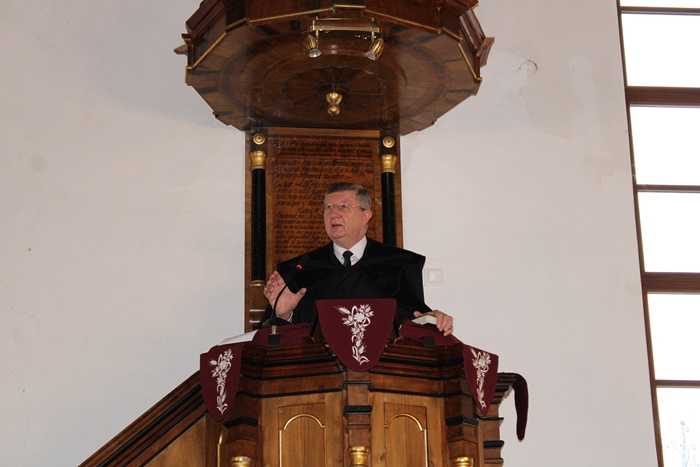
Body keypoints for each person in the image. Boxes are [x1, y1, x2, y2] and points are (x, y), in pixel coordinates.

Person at [261, 182, 454, 336]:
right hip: (319, 371)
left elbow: (414, 324)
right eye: (328, 207)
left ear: (365, 216)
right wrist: (284, 315)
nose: (333, 214)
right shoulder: (299, 269)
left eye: (343, 206)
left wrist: (433, 320)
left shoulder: (399, 265)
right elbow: (269, 340)